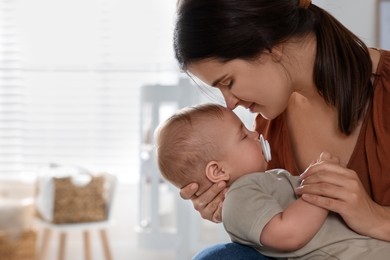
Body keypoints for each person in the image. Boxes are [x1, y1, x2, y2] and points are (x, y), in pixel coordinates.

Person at [173, 0, 390, 259]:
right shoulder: (270, 124)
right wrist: (236, 200)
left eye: (229, 82)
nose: (230, 104)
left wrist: (375, 218)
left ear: (270, 46)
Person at [155, 103, 390, 259]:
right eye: (243, 135)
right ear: (217, 171)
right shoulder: (240, 195)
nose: (255, 134)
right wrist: (320, 189)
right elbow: (288, 234)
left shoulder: (262, 181)